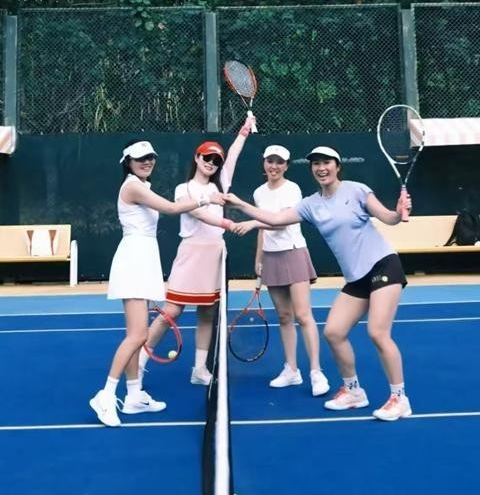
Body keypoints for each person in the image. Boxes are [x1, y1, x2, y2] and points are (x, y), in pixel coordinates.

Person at [225, 146, 412, 422]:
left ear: (337, 166)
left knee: (377, 332)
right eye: (316, 164)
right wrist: (241, 205)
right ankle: (353, 391)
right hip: (356, 277)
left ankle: (399, 398)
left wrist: (398, 212)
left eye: (326, 163)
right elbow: (275, 219)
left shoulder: (356, 190)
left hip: (383, 265)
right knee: (334, 332)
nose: (321, 168)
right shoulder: (311, 204)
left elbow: (388, 218)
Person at [89, 139, 227, 428]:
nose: (147, 162)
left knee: (137, 334)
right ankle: (106, 394)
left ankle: (134, 396)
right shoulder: (133, 186)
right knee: (137, 335)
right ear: (128, 162)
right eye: (140, 158)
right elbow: (171, 208)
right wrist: (207, 199)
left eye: (150, 157)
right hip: (134, 259)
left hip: (143, 258)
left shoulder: (142, 185)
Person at [138, 116, 255, 387]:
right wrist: (228, 223)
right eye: (207, 158)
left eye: (215, 160)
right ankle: (140, 364)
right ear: (197, 157)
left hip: (215, 254)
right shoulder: (184, 189)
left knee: (207, 314)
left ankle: (199, 369)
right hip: (191, 254)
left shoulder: (221, 183)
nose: (211, 163)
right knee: (171, 312)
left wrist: (244, 131)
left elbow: (234, 155)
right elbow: (198, 213)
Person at [241, 144, 329, 396]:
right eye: (270, 161)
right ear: (264, 163)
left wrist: (251, 222)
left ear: (287, 166)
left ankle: (316, 372)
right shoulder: (259, 193)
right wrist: (259, 258)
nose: (274, 166)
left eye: (280, 162)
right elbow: (264, 229)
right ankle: (291, 370)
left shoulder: (293, 189)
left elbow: (279, 223)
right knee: (283, 316)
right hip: (271, 256)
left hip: (294, 252)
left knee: (303, 314)